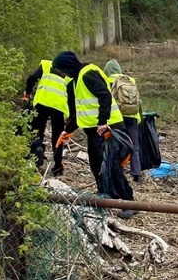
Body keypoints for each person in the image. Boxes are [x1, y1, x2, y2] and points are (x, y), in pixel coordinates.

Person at [52, 52, 135, 211]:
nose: (61, 74)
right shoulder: (76, 80)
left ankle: (129, 202)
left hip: (107, 128)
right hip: (94, 131)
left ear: (67, 66)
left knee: (111, 167)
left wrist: (102, 122)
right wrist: (68, 130)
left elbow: (105, 96)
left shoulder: (87, 74)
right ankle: (104, 199)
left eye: (61, 70)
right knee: (97, 166)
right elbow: (83, 109)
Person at [23, 55, 72, 176]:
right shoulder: (69, 73)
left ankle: (36, 155)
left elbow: (32, 78)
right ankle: (57, 167)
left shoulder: (45, 65)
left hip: (42, 101)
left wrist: (27, 93)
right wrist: (71, 115)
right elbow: (72, 95)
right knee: (57, 135)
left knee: (37, 131)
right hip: (59, 106)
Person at [104, 60, 144, 182]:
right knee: (134, 146)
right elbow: (138, 101)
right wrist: (140, 117)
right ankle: (137, 174)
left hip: (116, 117)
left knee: (115, 145)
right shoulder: (130, 80)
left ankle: (117, 171)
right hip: (132, 116)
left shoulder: (107, 80)